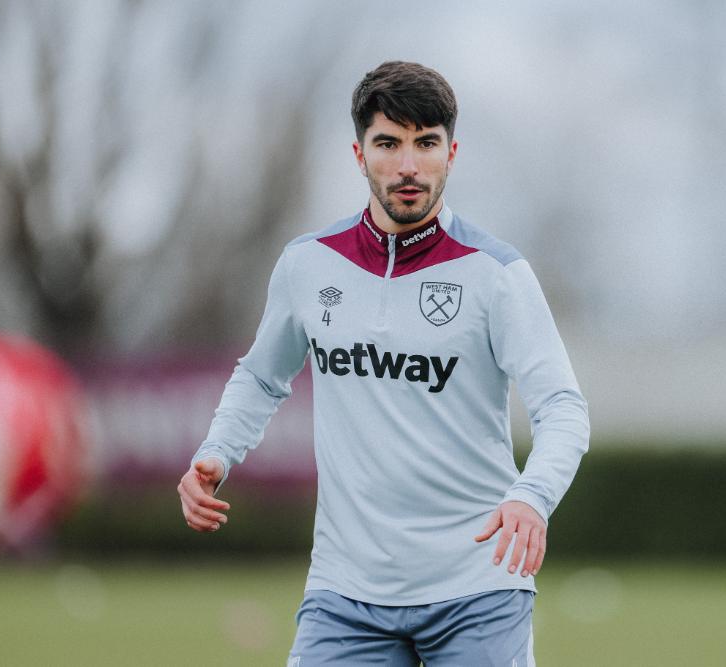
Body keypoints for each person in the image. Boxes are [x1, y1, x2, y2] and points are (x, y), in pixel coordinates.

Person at [177, 61, 589, 666]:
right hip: (347, 591)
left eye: (426, 144)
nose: (407, 165)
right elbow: (262, 376)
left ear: (452, 152)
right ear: (359, 152)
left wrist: (532, 497)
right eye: (388, 143)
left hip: (477, 586)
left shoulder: (497, 276)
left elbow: (563, 408)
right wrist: (216, 452)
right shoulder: (308, 266)